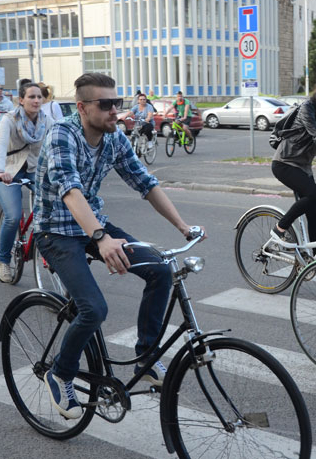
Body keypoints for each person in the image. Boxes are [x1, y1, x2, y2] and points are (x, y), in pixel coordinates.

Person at [33, 72, 204, 419]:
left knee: (160, 269)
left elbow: (145, 182)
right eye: (106, 104)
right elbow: (70, 191)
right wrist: (101, 238)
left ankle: (146, 357)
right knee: (94, 309)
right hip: (56, 231)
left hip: (93, 225)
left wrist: (183, 226)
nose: (115, 110)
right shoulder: (62, 134)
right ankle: (60, 373)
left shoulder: (113, 137)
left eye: (118, 102)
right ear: (82, 108)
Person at [271, 66, 316, 250]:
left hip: (303, 167)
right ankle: (280, 228)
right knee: (315, 195)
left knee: (314, 215)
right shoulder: (308, 107)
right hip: (285, 163)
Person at [0, 82, 52, 283]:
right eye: (31, 97)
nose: (36, 100)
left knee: (55, 207)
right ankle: (4, 261)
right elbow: (1, 146)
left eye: (39, 97)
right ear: (21, 100)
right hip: (9, 170)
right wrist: (0, 171)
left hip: (35, 170)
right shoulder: (9, 120)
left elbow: (58, 141)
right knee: (13, 216)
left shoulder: (47, 121)